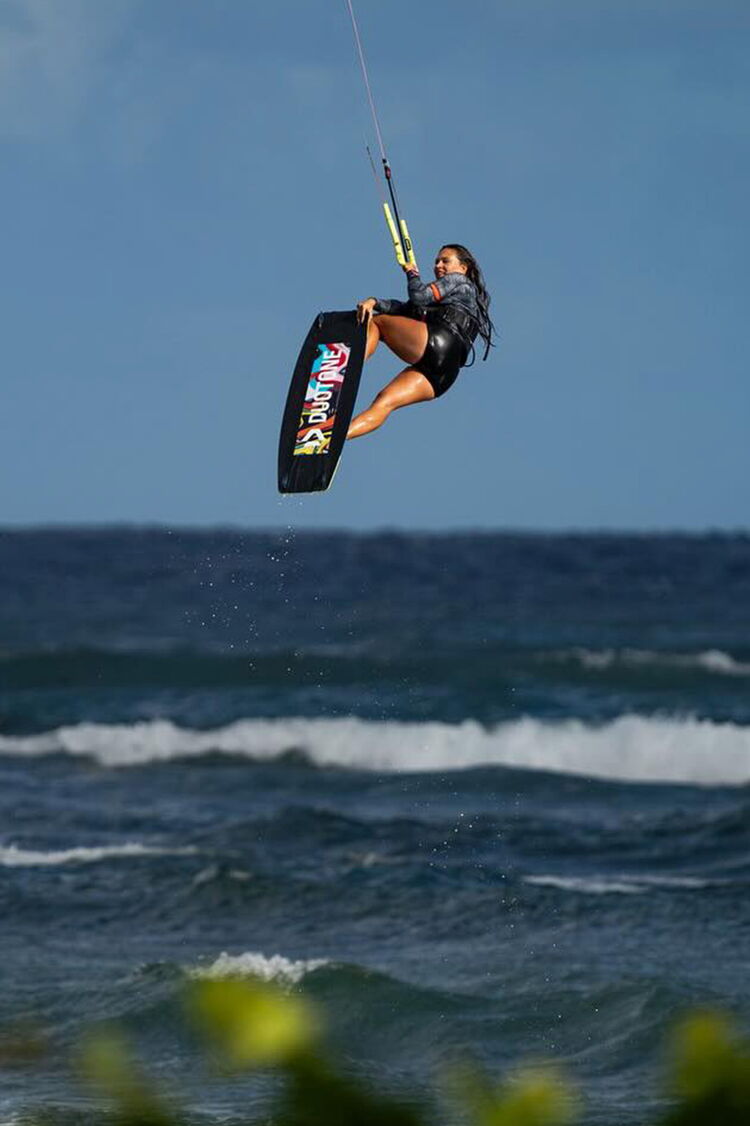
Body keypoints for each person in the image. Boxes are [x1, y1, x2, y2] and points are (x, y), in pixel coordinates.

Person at [346, 244, 494, 439]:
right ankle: (335, 440)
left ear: (463, 268)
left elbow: (419, 297)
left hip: (441, 341)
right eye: (436, 261)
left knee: (377, 323)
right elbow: (403, 309)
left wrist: (412, 273)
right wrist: (374, 301)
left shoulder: (459, 282)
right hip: (444, 374)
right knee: (385, 401)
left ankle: (347, 370)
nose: (438, 265)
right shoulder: (445, 296)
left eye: (445, 261)